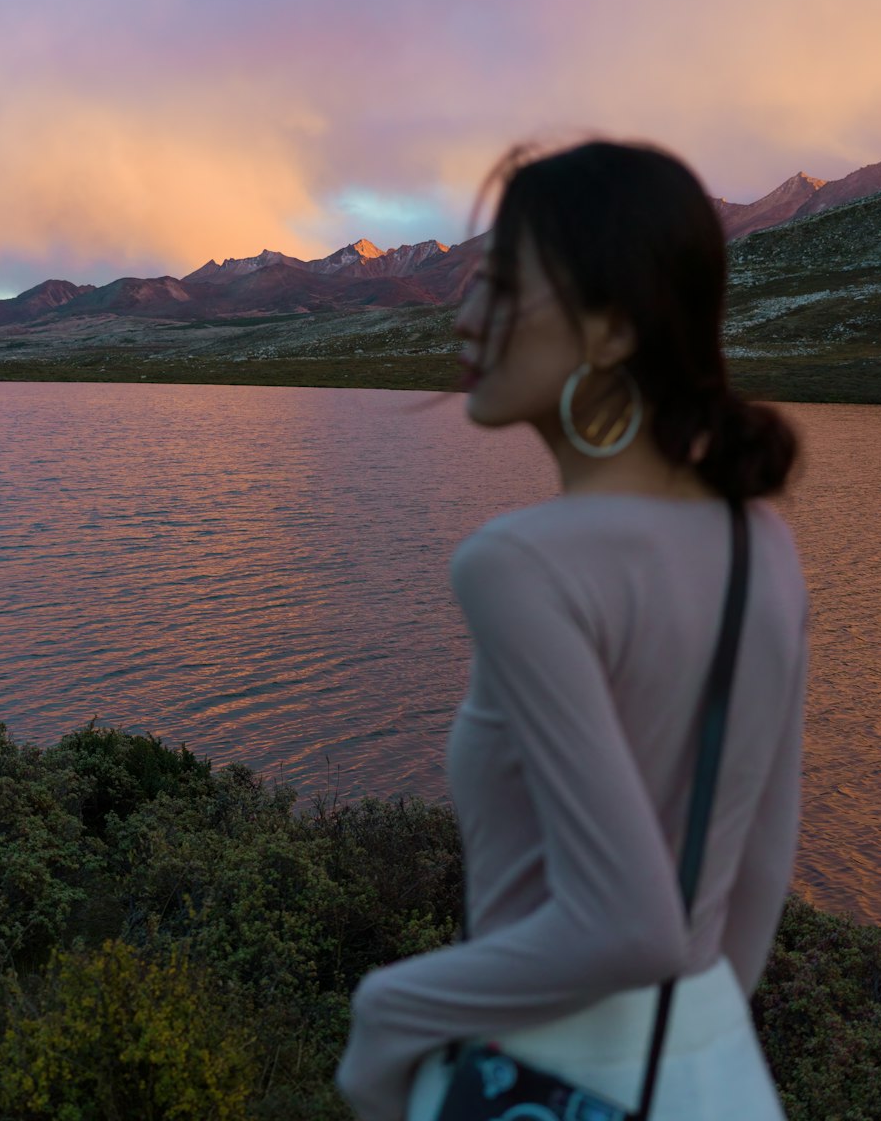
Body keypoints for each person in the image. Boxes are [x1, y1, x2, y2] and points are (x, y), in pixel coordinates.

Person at [335, 139, 808, 1121]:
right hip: (718, 1075)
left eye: (502, 289)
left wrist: (387, 1012)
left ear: (610, 331)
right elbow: (760, 867)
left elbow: (630, 922)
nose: (462, 318)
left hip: (540, 1080)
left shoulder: (519, 564)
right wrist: (692, 1044)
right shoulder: (759, 540)